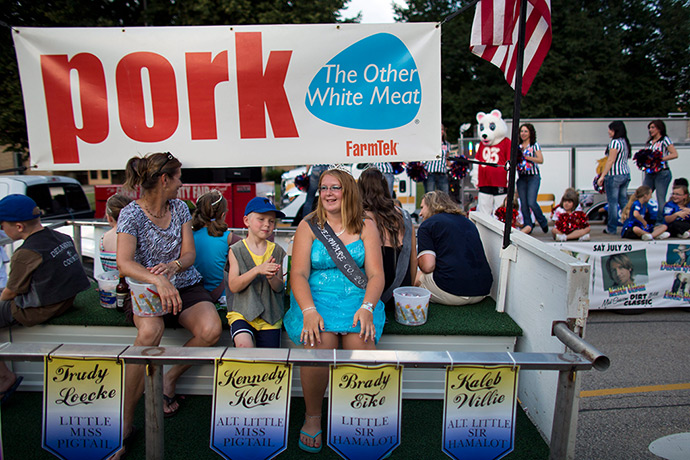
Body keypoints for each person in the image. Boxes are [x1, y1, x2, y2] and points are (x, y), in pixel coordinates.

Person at [114, 152, 222, 458]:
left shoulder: (180, 208)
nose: (181, 183)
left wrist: (174, 267)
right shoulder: (131, 214)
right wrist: (156, 279)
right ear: (165, 180)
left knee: (211, 329)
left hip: (185, 284)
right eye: (178, 177)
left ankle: (167, 380)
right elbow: (124, 263)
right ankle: (124, 423)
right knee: (149, 334)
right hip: (147, 288)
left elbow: (188, 254)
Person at [283, 168, 385, 453]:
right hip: (316, 300)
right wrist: (308, 310)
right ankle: (313, 416)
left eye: (335, 188)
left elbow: (376, 275)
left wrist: (367, 307)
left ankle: (355, 416)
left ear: (348, 192)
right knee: (319, 344)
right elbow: (299, 275)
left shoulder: (367, 224)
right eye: (324, 188)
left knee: (362, 345)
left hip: (358, 299)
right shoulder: (308, 225)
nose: (328, 193)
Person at [0, 194, 90, 404]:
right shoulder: (61, 237)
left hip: (39, 309)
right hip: (65, 300)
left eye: (3, 225)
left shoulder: (25, 253)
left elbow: (10, 294)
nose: (2, 230)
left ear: (19, 227)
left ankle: (4, 377)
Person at [226, 197, 286, 349]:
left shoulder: (277, 251)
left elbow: (279, 288)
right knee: (244, 345)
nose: (267, 224)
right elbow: (233, 285)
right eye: (261, 219)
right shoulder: (236, 250)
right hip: (242, 313)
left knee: (269, 362)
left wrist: (272, 278)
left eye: (271, 221)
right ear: (247, 221)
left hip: (270, 317)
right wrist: (257, 270)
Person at [415, 191, 493, 305]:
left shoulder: (427, 225)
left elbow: (427, 266)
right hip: (483, 290)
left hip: (452, 291)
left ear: (431, 205)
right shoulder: (468, 222)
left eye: (422, 208)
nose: (420, 213)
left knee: (416, 276)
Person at [358, 168, 417, 314]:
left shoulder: (360, 218)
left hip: (371, 299)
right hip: (401, 298)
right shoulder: (405, 216)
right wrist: (409, 286)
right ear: (385, 188)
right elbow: (413, 258)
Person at [191, 190, 234, 303]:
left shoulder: (188, 236)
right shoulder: (228, 237)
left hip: (195, 294)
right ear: (222, 215)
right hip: (223, 296)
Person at [597, 121, 631, 235]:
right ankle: (629, 223)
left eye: (610, 129)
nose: (608, 131)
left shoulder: (614, 143)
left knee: (612, 202)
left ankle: (611, 228)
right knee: (623, 201)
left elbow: (611, 160)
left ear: (615, 130)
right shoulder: (624, 142)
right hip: (625, 173)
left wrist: (602, 176)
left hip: (614, 175)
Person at [516, 123, 549, 234]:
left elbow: (540, 160)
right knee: (523, 204)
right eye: (521, 131)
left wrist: (527, 157)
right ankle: (528, 225)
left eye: (526, 131)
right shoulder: (517, 147)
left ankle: (542, 221)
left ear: (530, 133)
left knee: (531, 202)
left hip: (533, 176)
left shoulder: (534, 145)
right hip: (521, 177)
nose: (523, 134)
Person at [644, 120, 679, 221]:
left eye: (653, 127)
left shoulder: (665, 140)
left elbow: (674, 154)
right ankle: (643, 218)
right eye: (650, 128)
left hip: (662, 172)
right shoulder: (650, 142)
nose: (650, 130)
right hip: (650, 172)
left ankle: (661, 222)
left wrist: (660, 159)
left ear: (659, 128)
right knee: (643, 194)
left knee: (660, 198)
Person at [99, 194, 132, 272]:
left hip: (110, 282)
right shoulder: (134, 237)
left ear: (109, 218)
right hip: (132, 282)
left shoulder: (103, 238)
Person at [423, 125, 450, 194]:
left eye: (442, 129)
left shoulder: (446, 144)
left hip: (442, 173)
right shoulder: (429, 143)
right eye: (439, 129)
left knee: (444, 196)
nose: (441, 131)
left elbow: (447, 160)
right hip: (430, 173)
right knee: (430, 195)